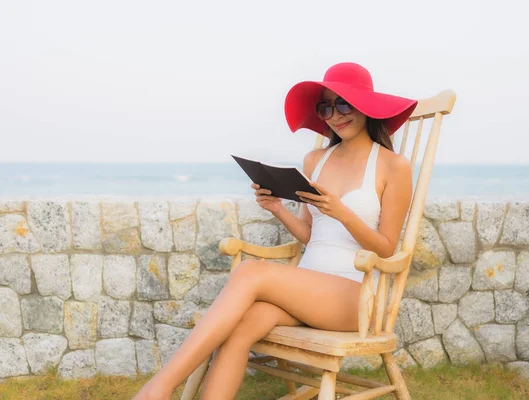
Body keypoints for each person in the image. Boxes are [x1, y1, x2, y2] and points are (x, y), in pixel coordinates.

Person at [133, 62, 417, 400]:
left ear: (366, 107)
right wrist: (278, 209)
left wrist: (343, 213)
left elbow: (386, 249)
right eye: (325, 107)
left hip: (356, 296)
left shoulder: (392, 166)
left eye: (343, 104)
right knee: (240, 329)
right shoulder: (316, 161)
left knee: (252, 272)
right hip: (309, 289)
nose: (334, 115)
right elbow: (314, 237)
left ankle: (158, 389)